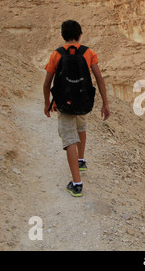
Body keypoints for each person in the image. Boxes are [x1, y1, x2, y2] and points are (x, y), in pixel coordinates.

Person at [43, 20, 110, 197]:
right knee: (81, 127)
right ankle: (81, 160)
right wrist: (105, 103)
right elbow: (99, 79)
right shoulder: (89, 53)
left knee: (69, 139)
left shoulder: (56, 55)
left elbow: (47, 82)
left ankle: (77, 183)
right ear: (80, 34)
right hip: (83, 101)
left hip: (64, 104)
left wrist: (47, 103)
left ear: (62, 35)